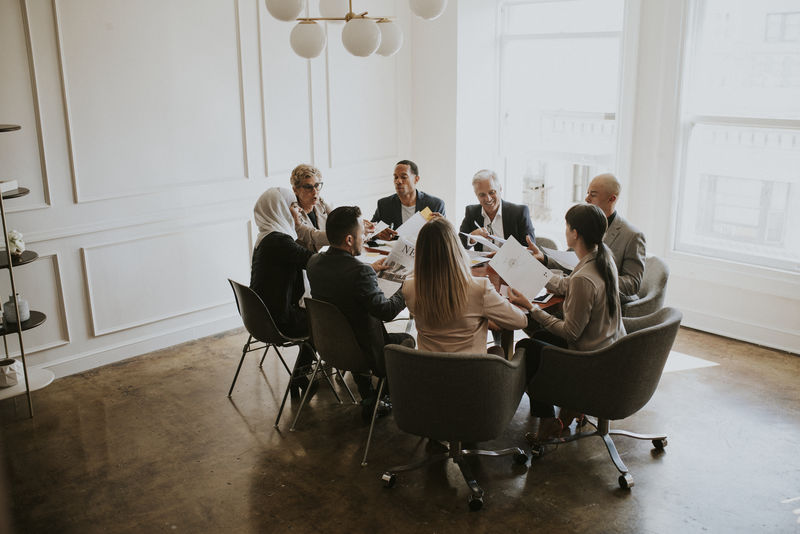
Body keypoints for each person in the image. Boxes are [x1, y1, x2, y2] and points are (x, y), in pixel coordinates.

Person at [513, 203, 626, 444]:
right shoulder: (602, 258)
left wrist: (531, 308)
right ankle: (565, 411)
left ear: (575, 233)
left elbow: (571, 333)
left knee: (527, 348)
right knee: (539, 339)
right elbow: (568, 285)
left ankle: (548, 421)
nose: (565, 231)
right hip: (608, 348)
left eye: (567, 226)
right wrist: (536, 269)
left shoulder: (585, 277)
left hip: (588, 359)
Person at [306, 206, 415, 420]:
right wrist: (405, 287)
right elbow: (387, 311)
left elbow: (341, 281)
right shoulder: (359, 272)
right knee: (406, 340)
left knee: (353, 325)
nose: (365, 237)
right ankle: (384, 398)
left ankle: (368, 397)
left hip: (330, 347)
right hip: (364, 353)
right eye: (362, 233)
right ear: (349, 239)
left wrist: (369, 271)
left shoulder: (314, 262)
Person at [403, 217, 529, 355]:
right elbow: (520, 321)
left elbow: (443, 314)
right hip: (470, 372)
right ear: (456, 248)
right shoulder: (479, 288)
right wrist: (487, 314)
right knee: (498, 351)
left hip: (428, 371)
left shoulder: (409, 287)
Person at [529, 173, 645, 303]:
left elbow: (633, 284)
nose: (587, 198)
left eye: (593, 194)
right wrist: (544, 259)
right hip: (580, 296)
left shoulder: (632, 235)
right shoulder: (585, 223)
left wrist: (593, 279)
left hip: (611, 304)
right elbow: (570, 262)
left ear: (611, 199)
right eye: (587, 193)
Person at [250, 187, 317, 398]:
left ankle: (301, 375)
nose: (298, 211)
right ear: (279, 209)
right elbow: (312, 262)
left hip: (260, 319)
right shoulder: (279, 242)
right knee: (328, 321)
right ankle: (300, 375)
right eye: (294, 206)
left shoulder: (266, 237)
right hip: (279, 320)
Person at [459, 169, 537, 251]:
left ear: (500, 189)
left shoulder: (519, 212)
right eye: (482, 195)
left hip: (510, 262)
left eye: (492, 192)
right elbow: (457, 245)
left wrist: (503, 255)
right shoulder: (471, 212)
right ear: (476, 194)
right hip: (482, 263)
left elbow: (530, 250)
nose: (488, 199)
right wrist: (472, 237)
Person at [371, 160, 446, 233]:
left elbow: (445, 238)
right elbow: (370, 232)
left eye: (404, 177)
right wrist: (378, 234)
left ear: (416, 179)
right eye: (396, 177)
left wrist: (444, 226)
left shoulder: (435, 204)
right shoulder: (384, 205)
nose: (398, 181)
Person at [290, 164, 331, 252]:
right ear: (295, 190)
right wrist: (342, 236)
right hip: (304, 262)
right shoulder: (293, 211)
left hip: (324, 257)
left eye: (316, 185)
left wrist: (356, 224)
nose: (315, 192)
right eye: (308, 187)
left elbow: (337, 217)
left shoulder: (320, 202)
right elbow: (312, 235)